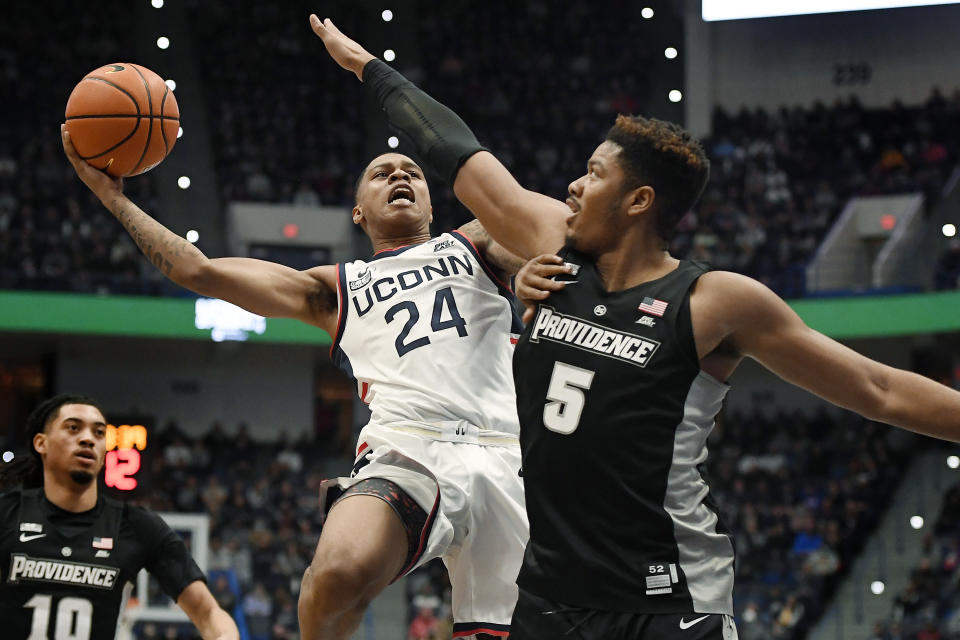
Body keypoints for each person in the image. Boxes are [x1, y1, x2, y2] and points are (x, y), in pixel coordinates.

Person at [311, 16, 960, 640]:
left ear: (638, 201)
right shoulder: (550, 250)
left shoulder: (714, 301)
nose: (571, 186)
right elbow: (456, 152)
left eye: (594, 175)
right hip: (557, 597)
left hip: (671, 596)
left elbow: (878, 389)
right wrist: (367, 67)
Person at [61, 122, 528, 637]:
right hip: (411, 449)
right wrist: (113, 199)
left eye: (412, 172)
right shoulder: (336, 287)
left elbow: (550, 235)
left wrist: (536, 270)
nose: (400, 175)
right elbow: (200, 272)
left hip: (512, 456)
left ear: (431, 204)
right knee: (333, 577)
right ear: (358, 212)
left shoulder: (474, 244)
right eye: (382, 174)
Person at [0, 394, 238, 640]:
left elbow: (208, 612)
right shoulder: (7, 514)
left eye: (99, 433)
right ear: (42, 443)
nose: (88, 439)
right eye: (73, 428)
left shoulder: (137, 526)